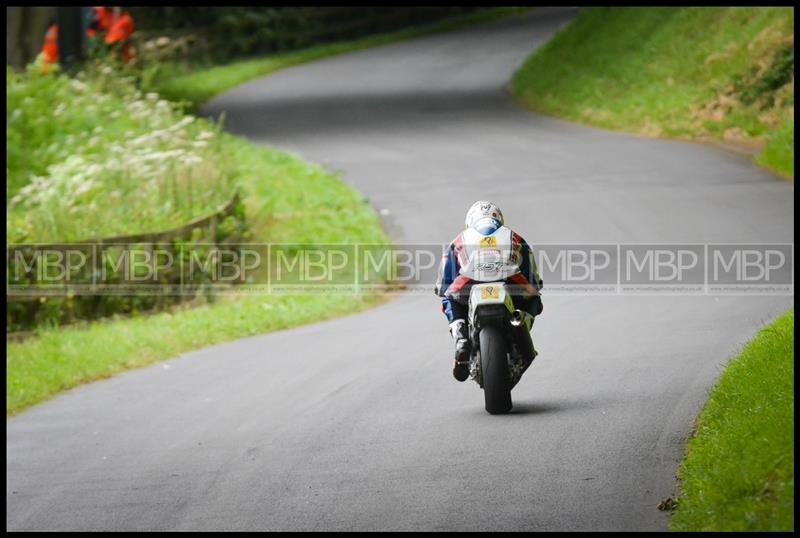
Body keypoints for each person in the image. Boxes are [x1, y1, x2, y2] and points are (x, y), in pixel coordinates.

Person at [435, 201, 543, 381]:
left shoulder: (460, 238)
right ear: (499, 218)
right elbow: (531, 274)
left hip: (468, 281)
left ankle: (461, 335)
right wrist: (532, 287)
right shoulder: (513, 235)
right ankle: (520, 323)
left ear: (470, 221)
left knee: (448, 299)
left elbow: (444, 282)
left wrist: (444, 290)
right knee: (535, 299)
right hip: (510, 279)